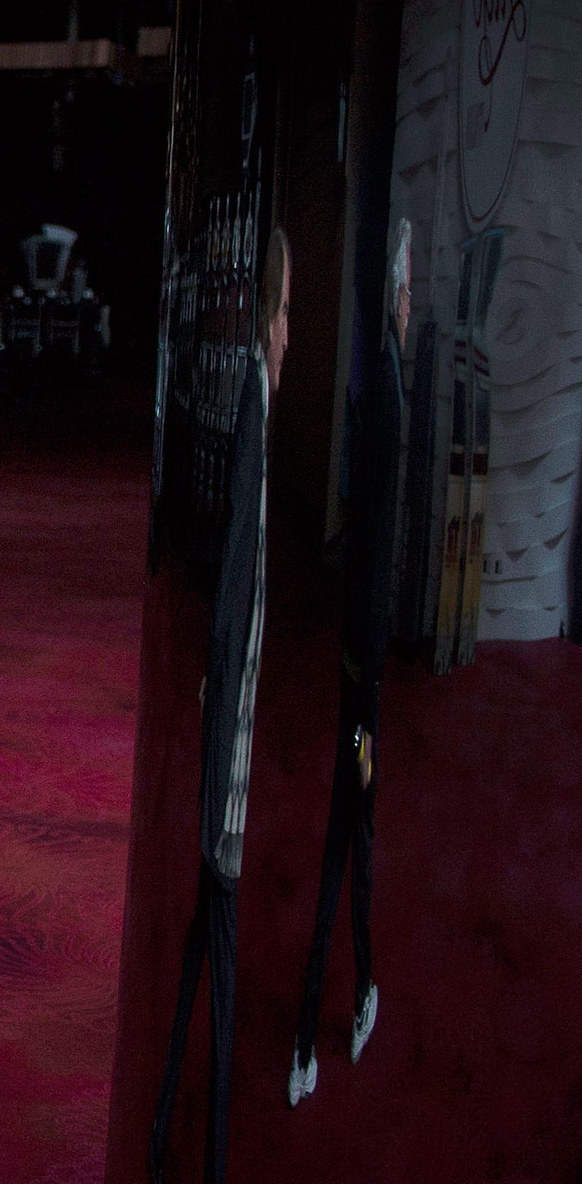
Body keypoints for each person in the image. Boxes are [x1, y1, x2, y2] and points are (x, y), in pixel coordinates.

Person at [149, 228, 289, 1184]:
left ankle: (167, 1133)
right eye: (289, 315)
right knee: (221, 949)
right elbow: (235, 586)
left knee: (208, 945)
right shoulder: (248, 407)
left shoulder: (257, 403)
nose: (289, 334)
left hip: (224, 742)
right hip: (225, 760)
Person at [288, 222, 409, 1104]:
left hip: (354, 673)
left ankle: (326, 1017)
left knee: (345, 853)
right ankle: (349, 999)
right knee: (350, 852)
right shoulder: (391, 404)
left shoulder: (376, 402)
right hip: (362, 683)